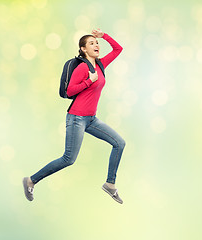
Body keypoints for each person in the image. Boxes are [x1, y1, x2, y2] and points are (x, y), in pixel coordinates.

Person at [23, 28, 126, 204]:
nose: (96, 45)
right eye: (92, 43)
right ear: (84, 49)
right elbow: (70, 90)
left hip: (91, 119)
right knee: (68, 159)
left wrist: (104, 36)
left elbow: (118, 50)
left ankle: (110, 184)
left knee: (119, 143)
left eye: (97, 43)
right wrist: (88, 81)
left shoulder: (100, 65)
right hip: (76, 118)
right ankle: (31, 180)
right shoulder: (82, 67)